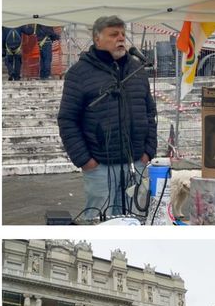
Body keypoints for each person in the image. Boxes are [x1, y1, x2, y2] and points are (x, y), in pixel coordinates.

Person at [57, 15, 157, 218]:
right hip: (100, 166)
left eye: (123, 34)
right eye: (113, 34)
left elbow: (149, 113)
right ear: (97, 38)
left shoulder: (137, 70)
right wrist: (85, 160)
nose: (121, 38)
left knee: (135, 219)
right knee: (100, 220)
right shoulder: (79, 73)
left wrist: (148, 152)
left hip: (135, 162)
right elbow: (67, 119)